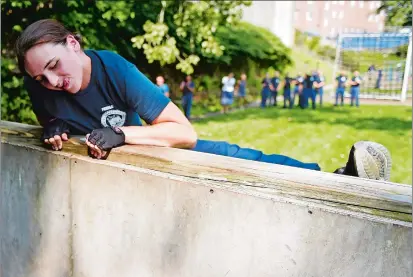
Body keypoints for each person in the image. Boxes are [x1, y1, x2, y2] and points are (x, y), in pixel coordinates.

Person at [15, 19, 392, 181]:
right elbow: (54, 123)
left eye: (52, 66)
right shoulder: (41, 88)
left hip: (145, 148)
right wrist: (53, 126)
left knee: (237, 156)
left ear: (73, 44)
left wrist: (124, 135)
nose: (50, 81)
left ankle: (332, 177)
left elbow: (184, 131)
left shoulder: (114, 68)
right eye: (39, 77)